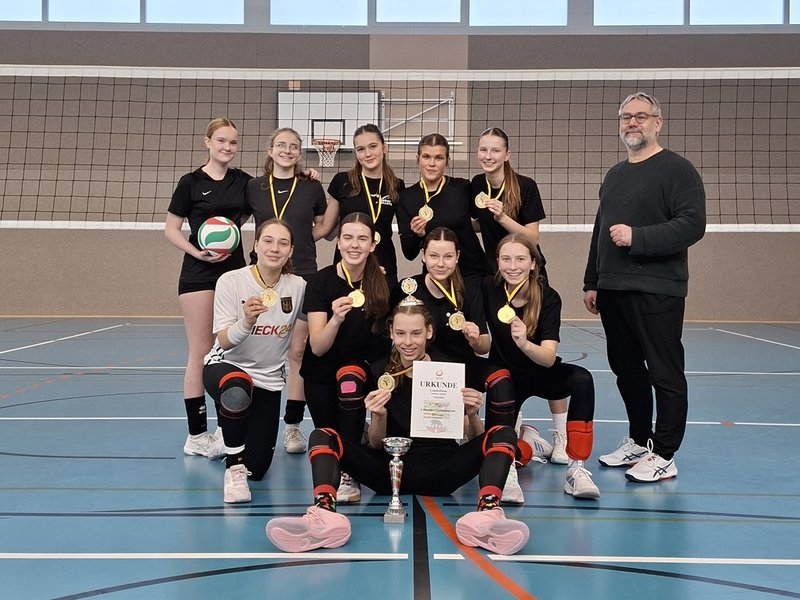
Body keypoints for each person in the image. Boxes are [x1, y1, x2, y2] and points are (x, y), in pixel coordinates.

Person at [265, 299, 529, 555]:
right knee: (322, 435)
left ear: (429, 331)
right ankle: (323, 515)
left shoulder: (447, 372)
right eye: (400, 333)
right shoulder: (381, 372)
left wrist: (471, 414)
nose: (408, 342)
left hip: (443, 470)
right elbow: (379, 442)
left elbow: (471, 437)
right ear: (391, 332)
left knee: (504, 433)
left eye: (416, 333)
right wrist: (378, 416)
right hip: (388, 471)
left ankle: (487, 516)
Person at [583, 92, 706, 483]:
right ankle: (640, 439)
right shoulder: (615, 175)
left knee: (665, 372)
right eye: (626, 117)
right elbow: (600, 231)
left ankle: (665, 453)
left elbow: (692, 224)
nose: (632, 123)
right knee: (626, 370)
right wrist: (592, 280)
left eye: (640, 116)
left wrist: (638, 237)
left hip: (659, 289)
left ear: (658, 122)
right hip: (614, 288)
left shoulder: (678, 170)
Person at [471, 127, 569, 460]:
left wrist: (502, 216)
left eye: (495, 150)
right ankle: (516, 428)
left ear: (507, 154)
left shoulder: (525, 186)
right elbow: (474, 223)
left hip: (528, 271)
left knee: (541, 347)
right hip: (496, 274)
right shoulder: (476, 185)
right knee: (504, 349)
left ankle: (561, 435)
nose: (488, 156)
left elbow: (532, 236)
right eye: (483, 150)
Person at [483, 234, 600, 499]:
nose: (513, 266)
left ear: (533, 263)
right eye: (506, 259)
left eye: (521, 259)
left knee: (582, 379)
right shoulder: (487, 288)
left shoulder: (548, 297)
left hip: (540, 371)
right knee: (499, 390)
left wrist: (524, 343)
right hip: (505, 378)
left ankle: (576, 469)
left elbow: (548, 358)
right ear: (498, 262)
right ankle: (508, 468)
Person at [165, 117, 251, 459]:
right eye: (221, 141)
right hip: (198, 274)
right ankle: (196, 435)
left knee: (232, 350)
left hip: (235, 274)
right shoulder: (190, 182)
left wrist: (306, 176)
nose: (227, 147)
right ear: (207, 142)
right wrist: (196, 250)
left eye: (233, 142)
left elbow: (273, 193)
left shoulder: (243, 182)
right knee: (200, 353)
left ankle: (224, 429)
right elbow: (171, 229)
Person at [202, 219, 306, 502]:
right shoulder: (231, 281)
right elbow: (223, 341)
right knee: (237, 389)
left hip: (269, 382)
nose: (275, 248)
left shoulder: (297, 287)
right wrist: (246, 321)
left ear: (291, 251)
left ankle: (228, 433)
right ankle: (233, 470)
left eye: (283, 243)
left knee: (257, 470)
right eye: (268, 241)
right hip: (226, 367)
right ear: (256, 245)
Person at [247, 127, 337, 455]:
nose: (287, 150)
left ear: (300, 154)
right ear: (270, 150)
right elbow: (232, 220)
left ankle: (293, 425)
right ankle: (240, 419)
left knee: (298, 352)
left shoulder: (311, 186)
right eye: (281, 145)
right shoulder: (253, 187)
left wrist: (295, 243)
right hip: (260, 277)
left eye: (294, 147)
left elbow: (326, 227)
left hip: (303, 276)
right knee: (255, 350)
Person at [300, 212, 391, 503]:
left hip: (361, 370)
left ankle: (350, 471)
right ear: (338, 243)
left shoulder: (383, 282)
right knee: (329, 436)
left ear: (373, 244)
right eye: (348, 238)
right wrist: (336, 319)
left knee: (349, 379)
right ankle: (349, 448)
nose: (355, 245)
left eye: (362, 238)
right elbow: (317, 347)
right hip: (322, 371)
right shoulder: (319, 283)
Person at [396, 133, 487, 280]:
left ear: (447, 161)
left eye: (438, 158)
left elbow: (484, 222)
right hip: (435, 278)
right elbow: (409, 254)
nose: (432, 163)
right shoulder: (406, 197)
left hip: (472, 274)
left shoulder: (462, 188)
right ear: (418, 159)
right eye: (426, 157)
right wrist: (417, 235)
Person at [327, 124, 405, 287]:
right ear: (355, 153)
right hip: (347, 264)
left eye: (373, 147)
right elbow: (326, 231)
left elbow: (407, 229)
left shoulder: (397, 185)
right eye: (361, 149)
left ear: (384, 147)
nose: (368, 154)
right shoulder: (342, 181)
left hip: (383, 264)